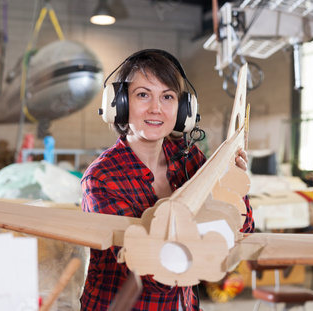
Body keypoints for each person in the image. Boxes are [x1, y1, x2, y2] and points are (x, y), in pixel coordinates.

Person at [80, 49, 254, 311]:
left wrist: (234, 187)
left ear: (184, 109)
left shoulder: (189, 159)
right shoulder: (102, 178)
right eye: (143, 95)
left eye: (168, 97)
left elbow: (242, 228)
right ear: (120, 104)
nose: (156, 109)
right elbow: (153, 272)